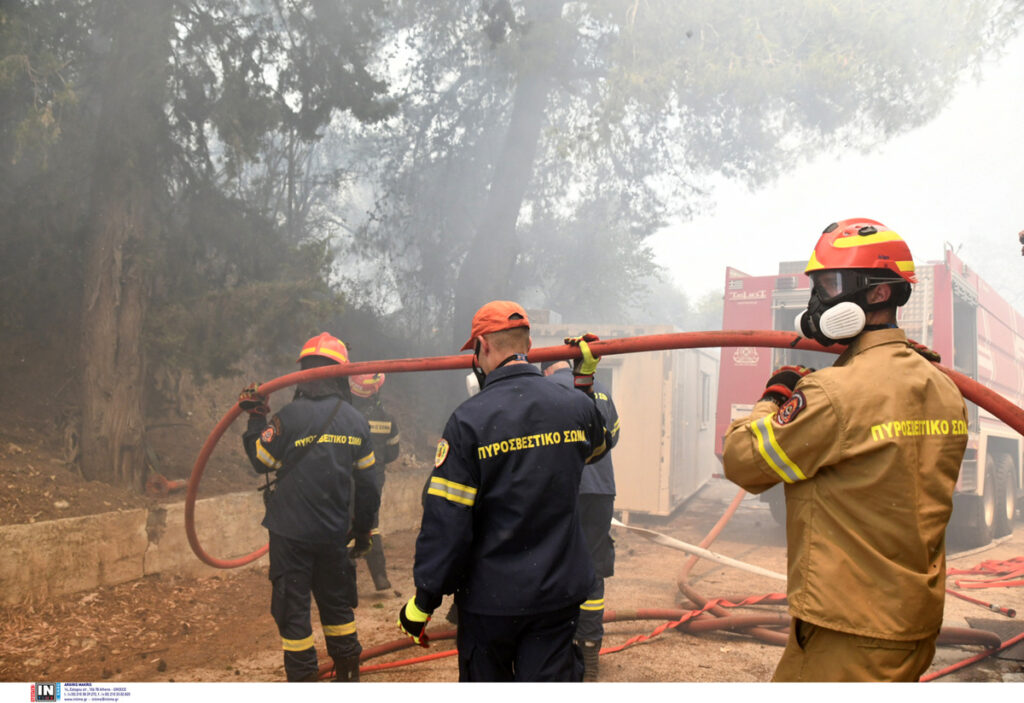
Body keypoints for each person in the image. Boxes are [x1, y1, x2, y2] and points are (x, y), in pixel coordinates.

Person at [722, 219, 968, 682]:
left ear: (879, 294)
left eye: (831, 284)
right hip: (912, 622)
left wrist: (774, 398)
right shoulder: (943, 387)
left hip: (848, 629)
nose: (818, 302)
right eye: (817, 285)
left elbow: (742, 460)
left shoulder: (834, 394)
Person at [397, 300, 612, 682]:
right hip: (556, 595)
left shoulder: (469, 420)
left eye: (475, 353)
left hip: (490, 601)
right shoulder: (573, 406)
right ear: (527, 346)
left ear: (482, 345)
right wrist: (584, 381)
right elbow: (596, 448)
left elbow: (448, 521)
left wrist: (424, 600)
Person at [239, 332, 380, 682]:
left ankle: (303, 682)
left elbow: (261, 459)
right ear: (341, 374)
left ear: (303, 372)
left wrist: (257, 416)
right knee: (337, 608)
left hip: (290, 536)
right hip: (334, 535)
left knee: (294, 613)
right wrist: (363, 531)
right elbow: (369, 486)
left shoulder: (290, 417)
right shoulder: (355, 421)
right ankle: (348, 676)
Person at [542, 358, 620, 682]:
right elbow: (612, 436)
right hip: (600, 491)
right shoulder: (600, 390)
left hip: (561, 489)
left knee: (551, 562)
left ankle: (553, 645)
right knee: (592, 569)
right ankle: (589, 648)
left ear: (545, 368)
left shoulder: (544, 390)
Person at [349, 372, 400, 591]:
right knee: (372, 524)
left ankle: (346, 584)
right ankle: (380, 578)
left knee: (345, 526)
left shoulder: (346, 415)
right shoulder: (387, 418)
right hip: (374, 479)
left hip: (347, 477)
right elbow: (392, 453)